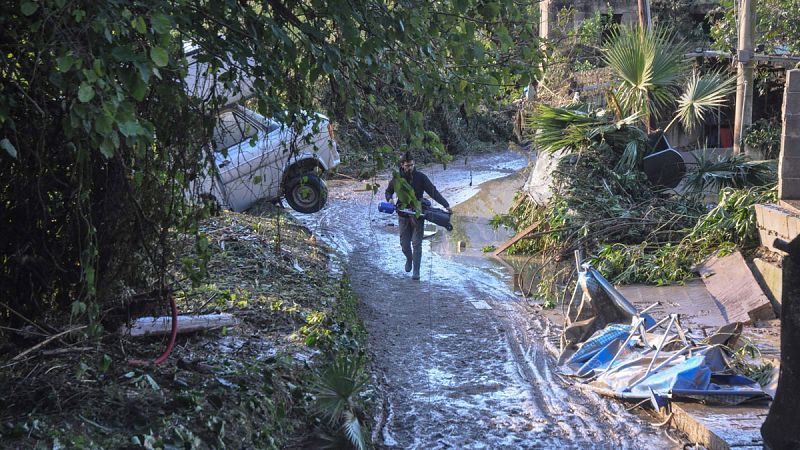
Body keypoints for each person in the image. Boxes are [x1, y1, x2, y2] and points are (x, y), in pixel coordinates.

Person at [385, 151, 451, 280]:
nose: (410, 168)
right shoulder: (397, 178)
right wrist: (390, 199)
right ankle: (409, 259)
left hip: (418, 213)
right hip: (403, 213)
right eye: (407, 166)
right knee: (404, 245)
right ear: (402, 165)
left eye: (412, 165)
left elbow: (433, 192)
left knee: (417, 243)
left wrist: (446, 205)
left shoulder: (421, 177)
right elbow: (388, 191)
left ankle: (416, 271)